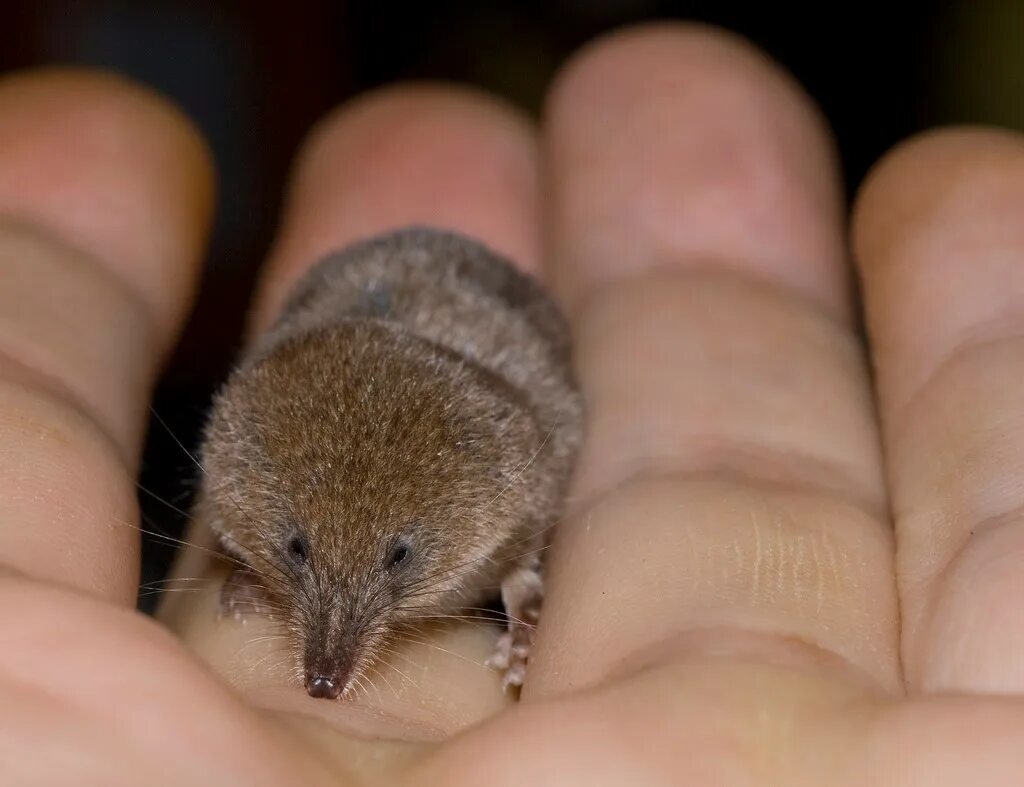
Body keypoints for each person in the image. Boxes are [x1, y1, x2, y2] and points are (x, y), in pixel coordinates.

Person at [1, 21, 1021, 785]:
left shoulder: (503, 460)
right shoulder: (262, 440)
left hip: (479, 341)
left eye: (395, 562)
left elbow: (526, 468)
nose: (329, 661)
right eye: (302, 557)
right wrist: (258, 556)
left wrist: (523, 587)